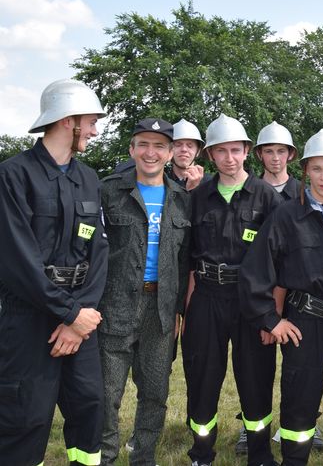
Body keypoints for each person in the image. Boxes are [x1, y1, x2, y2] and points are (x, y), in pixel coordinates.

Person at [240, 129, 323, 466]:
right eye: (317, 169)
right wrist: (271, 319)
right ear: (306, 171)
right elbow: (256, 270)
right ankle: (294, 460)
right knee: (299, 400)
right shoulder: (286, 216)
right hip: (305, 323)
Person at [0, 78, 108, 466]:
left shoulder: (89, 178)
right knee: (26, 415)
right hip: (30, 316)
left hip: (79, 313)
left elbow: (99, 250)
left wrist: (80, 316)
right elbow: (17, 260)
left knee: (90, 404)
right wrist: (69, 314)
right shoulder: (14, 175)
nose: (95, 130)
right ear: (68, 120)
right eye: (91, 121)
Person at [183, 114, 283, 466]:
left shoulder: (268, 197)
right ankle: (201, 453)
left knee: (256, 378)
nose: (229, 158)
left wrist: (273, 316)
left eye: (235, 150)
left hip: (251, 302)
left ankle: (259, 454)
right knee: (202, 376)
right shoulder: (197, 197)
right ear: (210, 156)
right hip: (207, 298)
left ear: (246, 152)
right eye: (221, 151)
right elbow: (186, 256)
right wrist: (186, 309)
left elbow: (280, 261)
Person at [98, 118, 191, 465]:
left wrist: (179, 308)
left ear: (170, 153)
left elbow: (185, 260)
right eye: (143, 145)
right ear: (131, 149)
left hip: (161, 308)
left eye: (159, 146)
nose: (150, 153)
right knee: (108, 392)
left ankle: (143, 456)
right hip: (116, 303)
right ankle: (105, 456)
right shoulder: (109, 191)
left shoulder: (182, 198)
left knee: (155, 391)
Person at [255, 121, 302, 200]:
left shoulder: (304, 194)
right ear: (260, 154)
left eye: (281, 151)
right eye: (269, 151)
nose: (275, 158)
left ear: (290, 154)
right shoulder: (249, 193)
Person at [168, 118, 210, 190]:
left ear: (198, 151)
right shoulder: (160, 182)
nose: (184, 149)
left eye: (190, 145)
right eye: (178, 145)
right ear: (169, 150)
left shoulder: (211, 184)